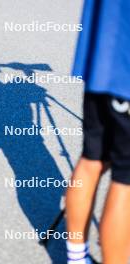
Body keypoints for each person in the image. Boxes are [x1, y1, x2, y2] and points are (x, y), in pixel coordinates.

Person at [66, 0, 130, 264]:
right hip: (124, 73)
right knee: (126, 178)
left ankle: (76, 257)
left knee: (92, 159)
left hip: (99, 65)